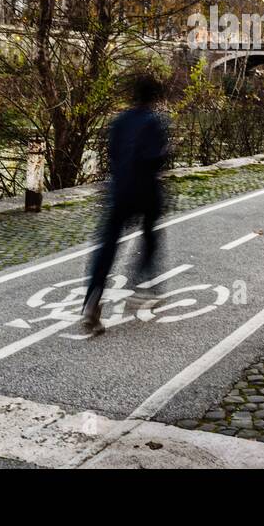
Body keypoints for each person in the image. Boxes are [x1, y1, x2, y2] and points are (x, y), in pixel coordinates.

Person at [81, 73, 170, 335]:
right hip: (144, 191)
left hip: (118, 191)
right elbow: (154, 159)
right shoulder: (154, 122)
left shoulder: (119, 122)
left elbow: (112, 155)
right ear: (153, 98)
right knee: (151, 231)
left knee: (107, 247)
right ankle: (142, 281)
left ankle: (92, 300)